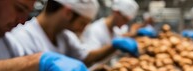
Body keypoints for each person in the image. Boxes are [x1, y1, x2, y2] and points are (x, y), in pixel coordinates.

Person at [11, 0, 139, 67]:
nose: (83, 29)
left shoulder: (65, 36)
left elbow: (85, 56)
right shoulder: (21, 38)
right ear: (68, 13)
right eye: (83, 23)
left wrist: (113, 46)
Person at [81, 0, 153, 53]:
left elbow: (123, 36)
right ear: (116, 13)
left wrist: (137, 33)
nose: (125, 23)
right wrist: (113, 46)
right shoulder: (95, 30)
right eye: (124, 19)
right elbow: (89, 56)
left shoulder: (117, 28)